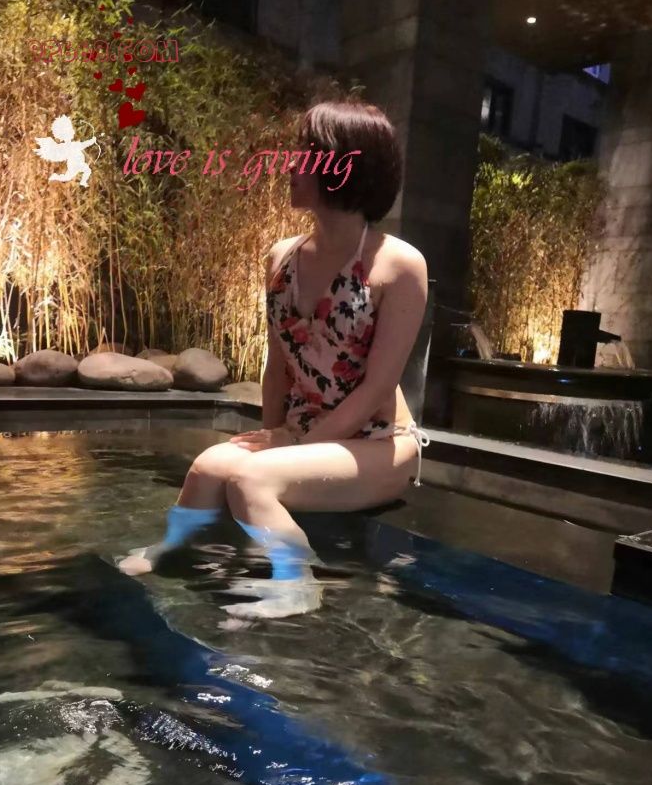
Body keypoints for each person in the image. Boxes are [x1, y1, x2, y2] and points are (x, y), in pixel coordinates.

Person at [118, 98, 430, 619]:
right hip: (305, 430)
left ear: (342, 165)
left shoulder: (399, 265)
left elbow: (378, 387)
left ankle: (297, 581)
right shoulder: (281, 257)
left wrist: (293, 448)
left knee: (253, 479)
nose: (289, 165)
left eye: (303, 153)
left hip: (378, 442)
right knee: (209, 466)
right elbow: (278, 363)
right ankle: (174, 548)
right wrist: (274, 433)